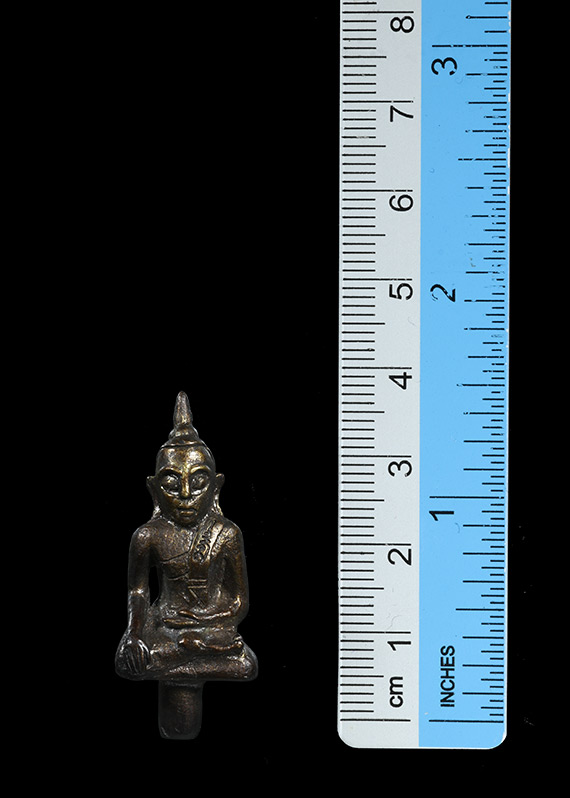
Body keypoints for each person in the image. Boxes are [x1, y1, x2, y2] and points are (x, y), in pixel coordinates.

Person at [115, 392, 258, 686]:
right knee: (128, 662)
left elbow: (239, 600)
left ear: (216, 487)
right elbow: (138, 592)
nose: (185, 494)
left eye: (198, 482)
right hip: (164, 626)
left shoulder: (227, 533)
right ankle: (190, 654)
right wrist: (134, 633)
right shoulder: (148, 535)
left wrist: (204, 621)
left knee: (246, 665)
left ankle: (185, 656)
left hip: (211, 627)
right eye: (171, 483)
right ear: (154, 489)